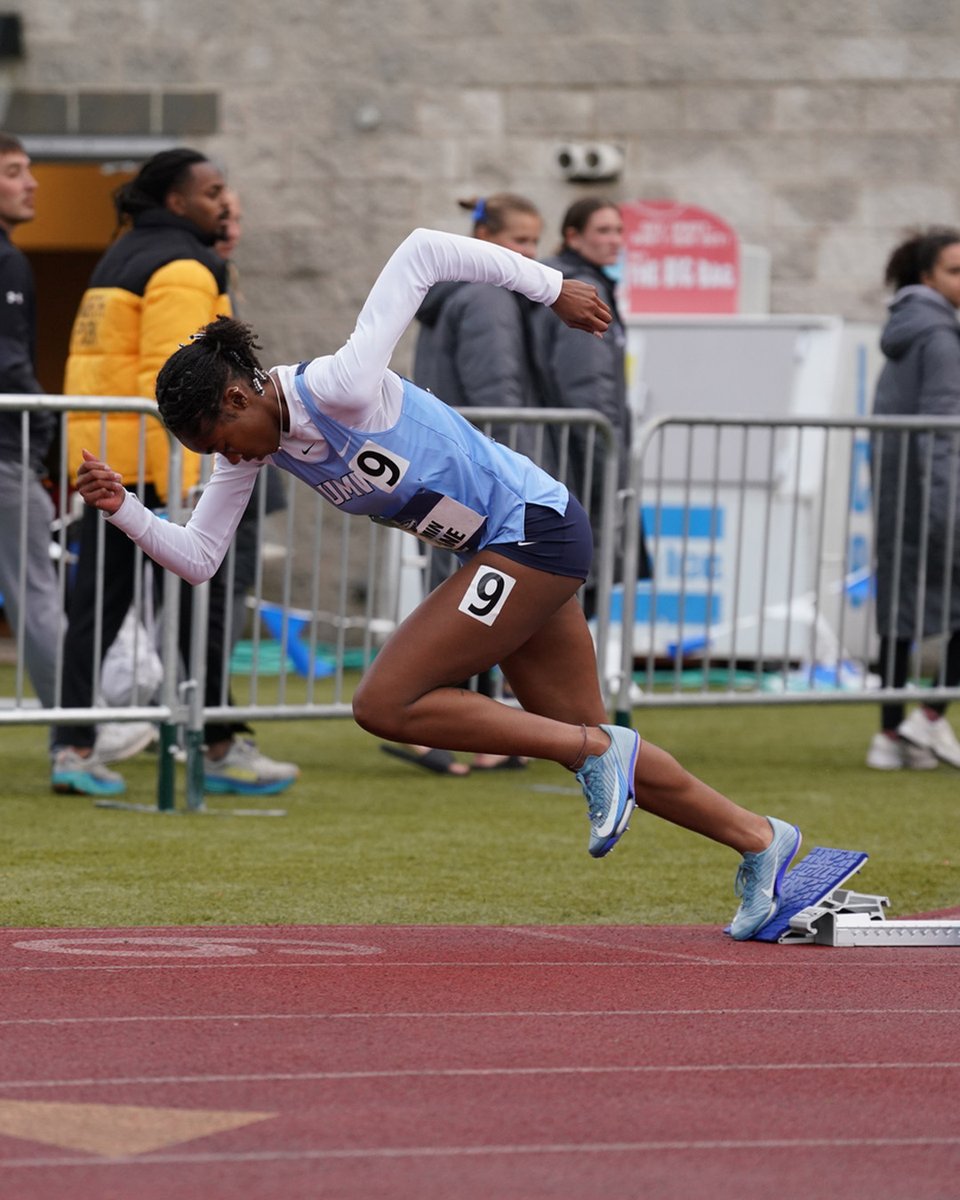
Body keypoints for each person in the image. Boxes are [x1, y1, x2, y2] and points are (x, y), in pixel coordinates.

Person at [76, 226, 801, 941]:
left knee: (386, 701)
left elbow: (423, 249)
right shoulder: (251, 455)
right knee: (601, 738)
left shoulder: (339, 385)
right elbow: (200, 557)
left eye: (218, 442)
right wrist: (126, 510)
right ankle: (761, 841)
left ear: (237, 399)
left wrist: (549, 289)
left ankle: (594, 754)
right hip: (505, 548)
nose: (225, 459)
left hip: (534, 530)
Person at [52, 147, 298, 798]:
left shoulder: (121, 254)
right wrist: (187, 475)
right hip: (149, 469)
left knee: (96, 610)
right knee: (200, 607)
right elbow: (177, 381)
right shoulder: (186, 264)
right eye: (213, 190)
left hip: (108, 456)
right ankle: (215, 744)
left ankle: (76, 746)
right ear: (177, 201)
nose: (224, 200)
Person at [400, 192, 546, 776]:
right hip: (481, 477)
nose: (532, 255)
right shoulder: (488, 296)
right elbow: (500, 396)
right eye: (521, 241)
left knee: (463, 593)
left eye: (536, 242)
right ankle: (441, 728)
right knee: (474, 600)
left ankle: (462, 730)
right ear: (486, 239)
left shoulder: (451, 295)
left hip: (443, 470)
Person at [867, 227, 960, 771]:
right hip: (934, 494)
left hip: (901, 492)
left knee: (897, 614)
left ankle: (889, 734)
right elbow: (942, 432)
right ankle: (926, 720)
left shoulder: (909, 327)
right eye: (954, 270)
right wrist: (947, 510)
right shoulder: (941, 336)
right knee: (914, 613)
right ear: (927, 277)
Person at [528, 197, 646, 619]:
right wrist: (607, 466)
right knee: (575, 589)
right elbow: (587, 389)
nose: (614, 240)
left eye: (618, 230)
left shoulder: (573, 284)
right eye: (603, 230)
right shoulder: (579, 291)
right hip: (579, 463)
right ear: (573, 235)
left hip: (574, 457)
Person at [0, 133, 64, 730]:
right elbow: (10, 364)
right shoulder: (8, 260)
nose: (32, 182)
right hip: (5, 453)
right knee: (37, 594)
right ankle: (80, 727)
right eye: (15, 171)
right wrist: (45, 429)